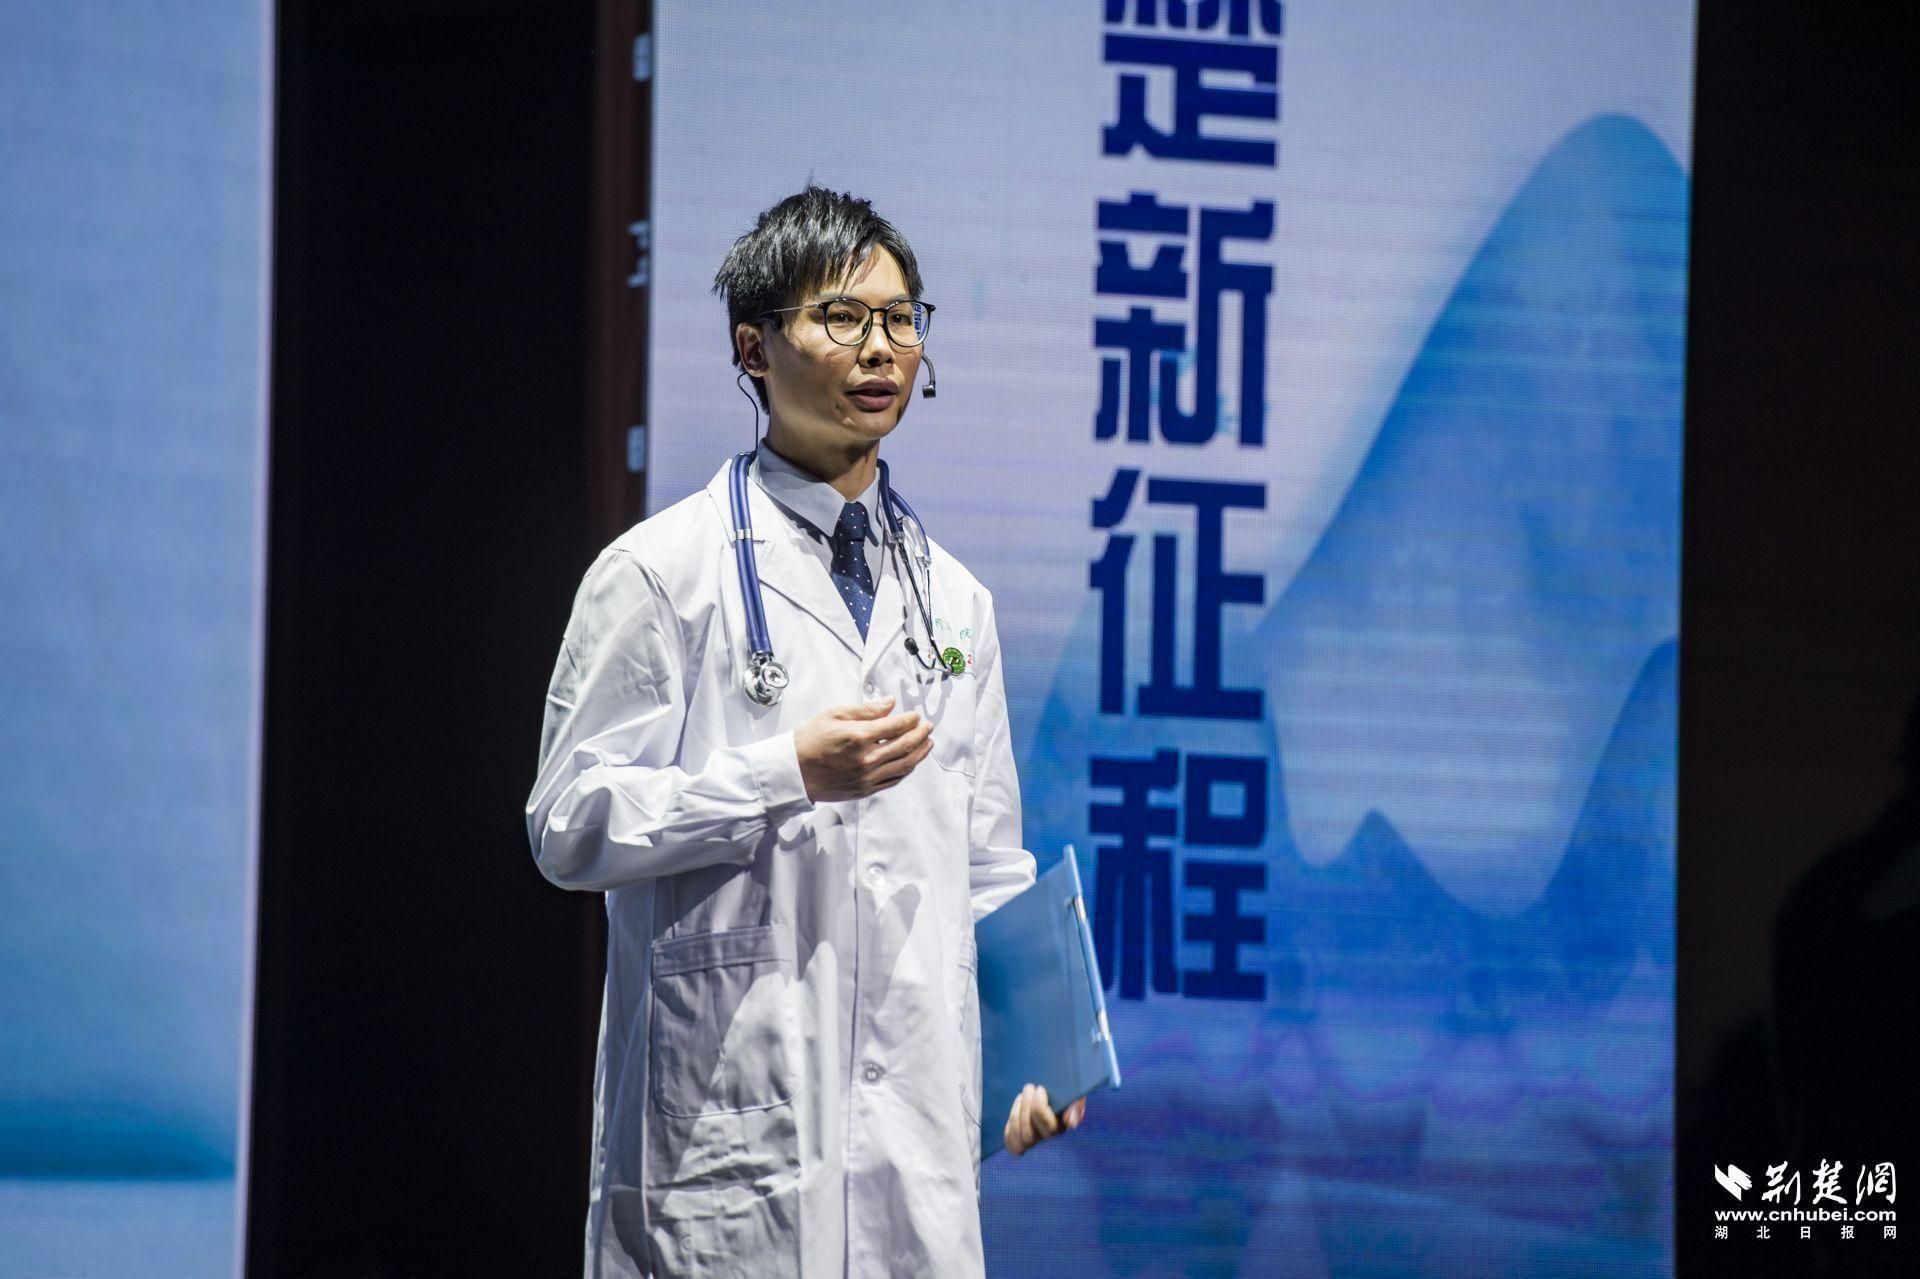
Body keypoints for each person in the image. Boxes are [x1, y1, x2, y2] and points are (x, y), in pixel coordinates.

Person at [526, 185, 1084, 1279]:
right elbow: (569, 824)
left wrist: (1037, 1059)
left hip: (914, 1161)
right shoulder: (661, 573)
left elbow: (987, 870)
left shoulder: (955, 603)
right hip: (722, 1156)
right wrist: (783, 770)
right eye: (842, 317)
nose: (881, 349)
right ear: (755, 348)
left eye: (901, 319)